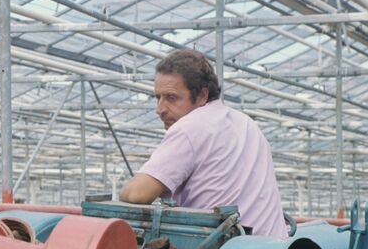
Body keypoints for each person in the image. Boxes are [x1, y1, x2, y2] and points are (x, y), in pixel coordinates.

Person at [119, 49, 287, 236]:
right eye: (158, 98)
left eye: (171, 98)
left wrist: (125, 191)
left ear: (202, 96)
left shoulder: (190, 127)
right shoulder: (247, 124)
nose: (160, 109)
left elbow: (137, 194)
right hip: (274, 245)